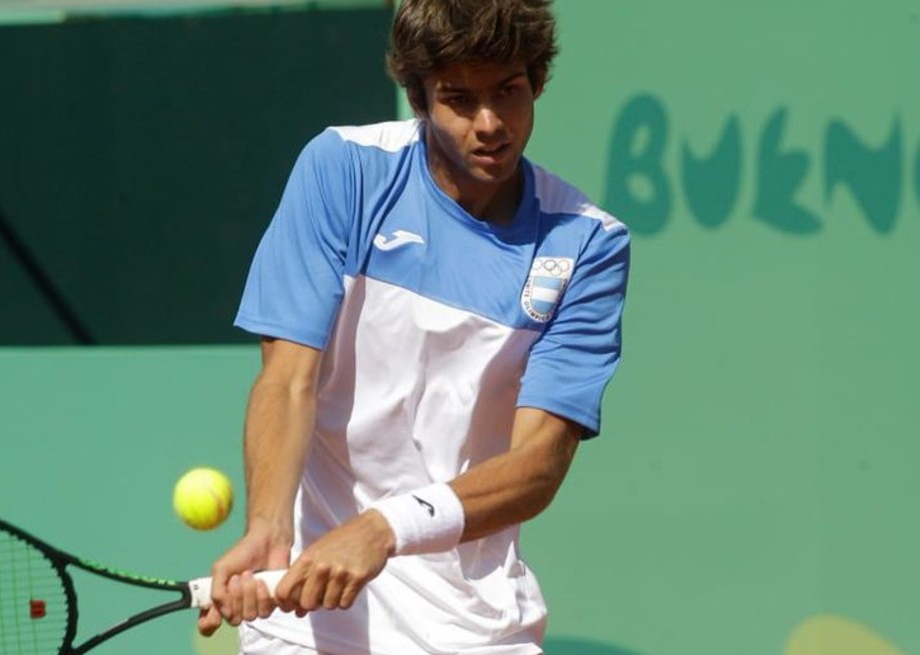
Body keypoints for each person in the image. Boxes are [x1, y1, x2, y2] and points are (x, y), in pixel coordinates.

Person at [199, 0, 631, 652]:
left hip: (475, 624)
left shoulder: (587, 243)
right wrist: (267, 529)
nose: (490, 124)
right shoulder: (343, 168)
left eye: (508, 93)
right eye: (459, 99)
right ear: (419, 95)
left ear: (537, 80)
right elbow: (289, 381)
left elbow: (537, 463)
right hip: (308, 620)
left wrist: (385, 527)